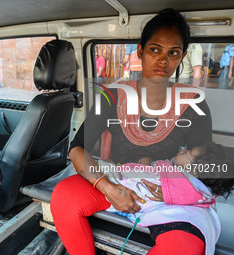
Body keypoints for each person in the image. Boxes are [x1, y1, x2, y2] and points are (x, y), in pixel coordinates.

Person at [51, 8, 216, 255]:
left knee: (186, 246)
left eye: (173, 53)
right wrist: (107, 187)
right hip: (117, 179)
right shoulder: (113, 95)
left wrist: (173, 188)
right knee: (64, 195)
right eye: (155, 49)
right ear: (140, 51)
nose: (163, 60)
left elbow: (204, 157)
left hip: (164, 189)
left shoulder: (193, 101)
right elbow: (78, 147)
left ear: (181, 57)